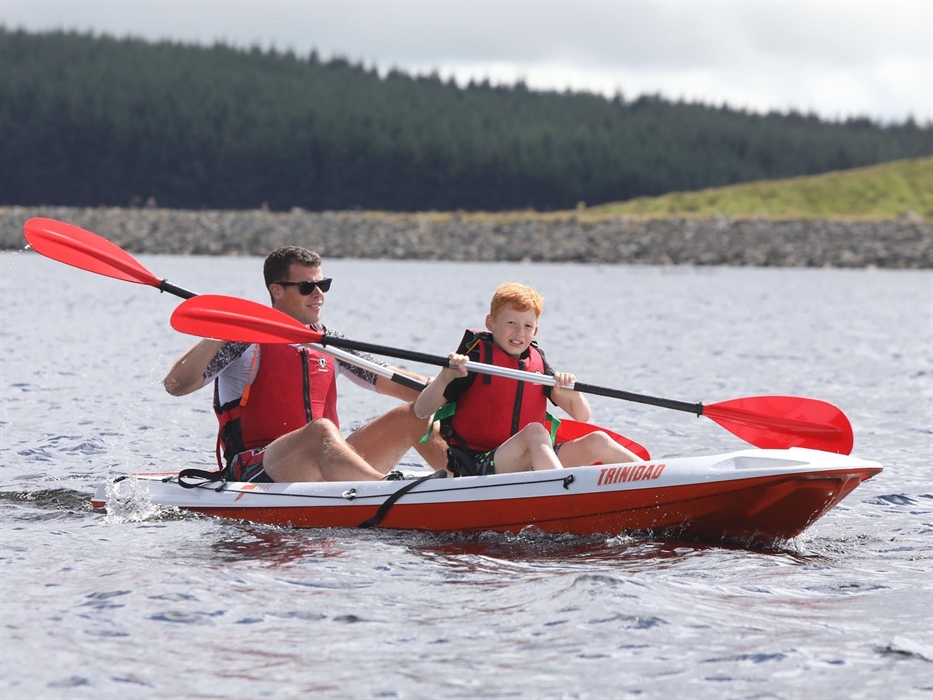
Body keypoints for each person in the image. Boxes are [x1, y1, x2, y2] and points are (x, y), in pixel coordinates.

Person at [163, 246, 447, 483]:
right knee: (320, 430)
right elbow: (176, 386)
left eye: (322, 285)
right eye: (307, 287)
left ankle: (467, 482)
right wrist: (220, 332)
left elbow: (398, 380)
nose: (318, 294)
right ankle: (380, 490)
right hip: (257, 467)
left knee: (414, 415)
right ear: (277, 291)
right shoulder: (243, 341)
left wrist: (451, 382)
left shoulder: (330, 342)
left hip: (321, 460)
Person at [414, 282, 640, 476]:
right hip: (478, 465)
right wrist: (445, 377)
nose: (519, 332)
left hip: (528, 461)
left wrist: (571, 391)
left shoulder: (537, 363)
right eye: (511, 323)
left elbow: (583, 415)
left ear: (536, 331)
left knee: (597, 440)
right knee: (535, 432)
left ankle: (655, 479)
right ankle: (560, 494)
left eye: (527, 326)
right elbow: (421, 410)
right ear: (491, 323)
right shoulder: (473, 361)